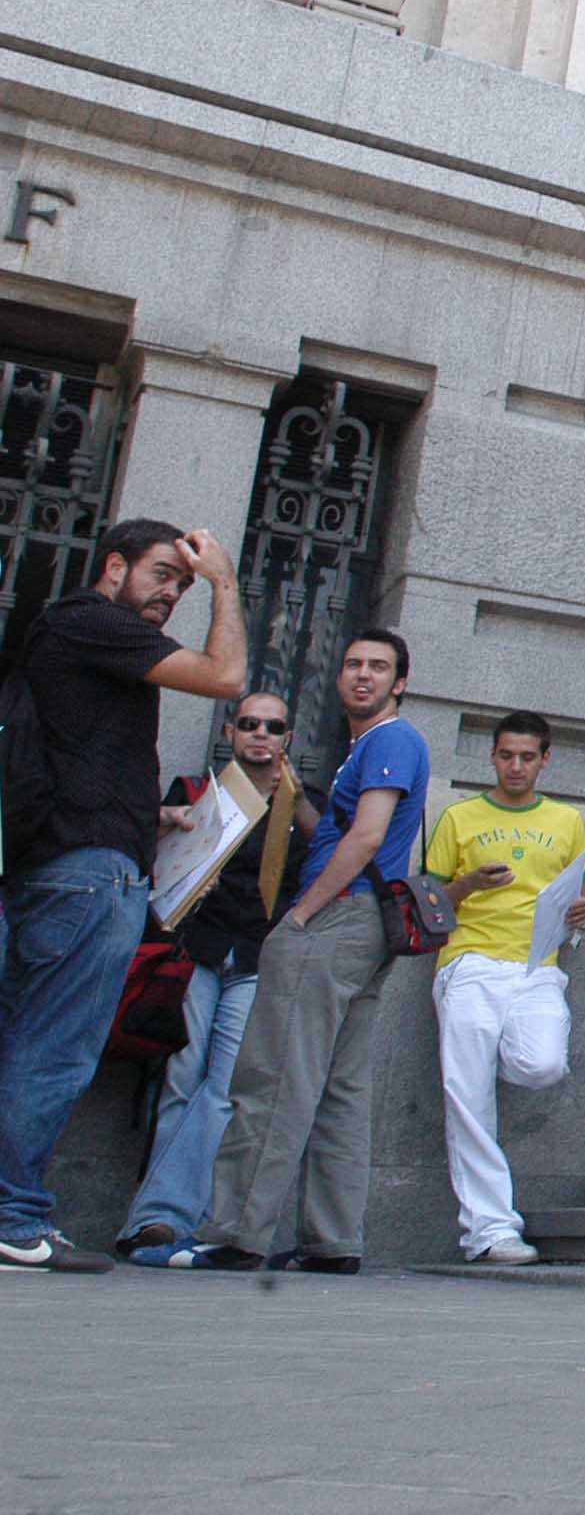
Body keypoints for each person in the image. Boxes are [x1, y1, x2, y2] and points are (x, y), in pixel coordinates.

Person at [0, 519, 245, 1274]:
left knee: (30, 1044)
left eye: (184, 580)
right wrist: (225, 584)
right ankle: (13, 1215)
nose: (173, 592)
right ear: (114, 567)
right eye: (163, 575)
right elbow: (225, 678)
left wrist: (156, 814)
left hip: (64, 864)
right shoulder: (93, 622)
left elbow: (82, 748)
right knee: (55, 1051)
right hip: (87, 875)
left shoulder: (72, 633)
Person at [173, 630, 429, 1271]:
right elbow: (345, 832)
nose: (362, 676)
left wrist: (301, 914)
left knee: (275, 1077)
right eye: (352, 665)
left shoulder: (391, 739)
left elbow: (368, 837)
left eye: (378, 667)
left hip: (334, 922)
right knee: (341, 1087)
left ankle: (235, 1232)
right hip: (364, 926)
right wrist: (291, 798)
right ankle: (332, 1241)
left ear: (399, 682)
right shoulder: (366, 748)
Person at [115, 692, 312, 1261]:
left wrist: (293, 801)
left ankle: (186, 1217)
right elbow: (154, 862)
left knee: (224, 1089)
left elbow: (316, 862)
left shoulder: (297, 806)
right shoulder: (194, 792)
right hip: (195, 953)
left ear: (287, 739)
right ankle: (157, 1221)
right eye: (249, 724)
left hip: (255, 957)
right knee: (180, 1082)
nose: (260, 734)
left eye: (273, 726)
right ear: (229, 732)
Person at [424, 711, 585, 1266]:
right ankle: (490, 1231)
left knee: (543, 1064)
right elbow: (430, 904)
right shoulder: (459, 817)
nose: (515, 766)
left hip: (537, 966)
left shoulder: (567, 821)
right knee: (467, 1099)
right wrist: (468, 883)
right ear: (492, 757)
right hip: (468, 961)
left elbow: (575, 895)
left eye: (526, 757)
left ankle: (484, 1053)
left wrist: (582, 912)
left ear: (545, 760)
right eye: (505, 756)